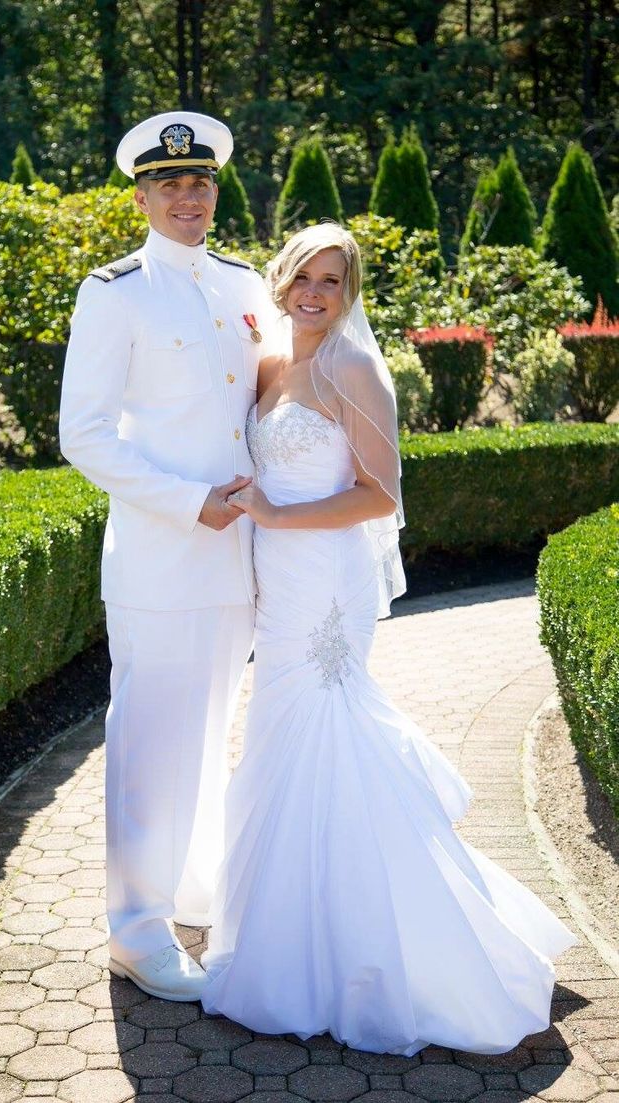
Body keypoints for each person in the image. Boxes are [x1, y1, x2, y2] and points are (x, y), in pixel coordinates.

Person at [200, 222, 576, 1054]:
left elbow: (380, 495)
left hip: (324, 580)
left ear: (348, 292)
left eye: (332, 281)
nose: (314, 291)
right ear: (282, 274)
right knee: (277, 740)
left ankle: (388, 954)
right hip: (277, 583)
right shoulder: (269, 365)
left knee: (327, 736)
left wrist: (278, 512)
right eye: (304, 274)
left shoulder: (352, 367)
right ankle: (287, 942)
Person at [59, 111, 272, 1001]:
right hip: (160, 559)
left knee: (209, 730)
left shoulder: (245, 283)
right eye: (171, 184)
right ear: (141, 195)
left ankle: (187, 890)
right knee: (148, 743)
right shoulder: (114, 292)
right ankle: (136, 931)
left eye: (202, 182)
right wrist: (190, 505)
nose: (189, 198)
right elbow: (84, 434)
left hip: (240, 562)